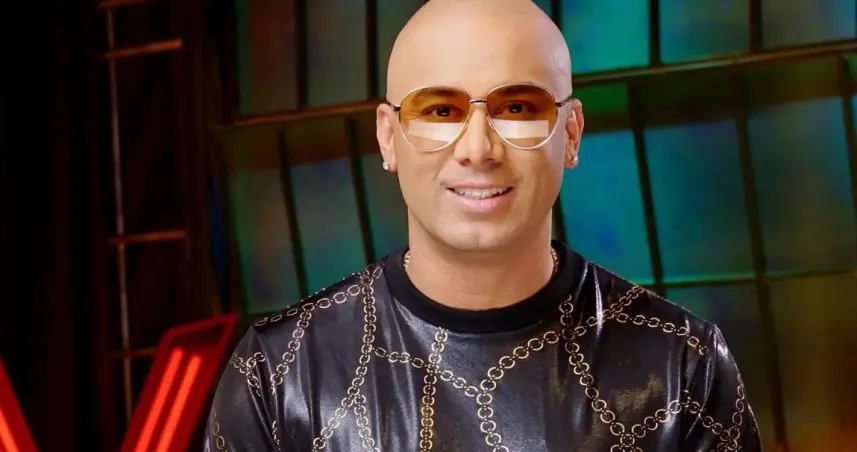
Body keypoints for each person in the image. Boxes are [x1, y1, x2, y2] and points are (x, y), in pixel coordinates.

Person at [204, 0, 762, 450]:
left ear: (571, 134)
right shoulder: (279, 374)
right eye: (440, 111)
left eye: (516, 108)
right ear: (387, 137)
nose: (477, 148)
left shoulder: (682, 364)